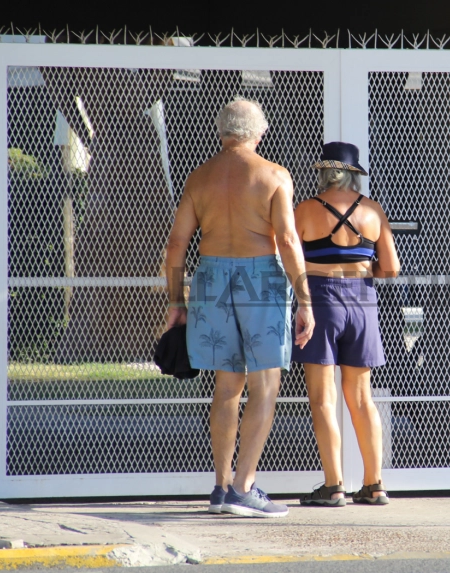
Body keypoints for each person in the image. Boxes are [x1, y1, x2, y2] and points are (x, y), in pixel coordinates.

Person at [164, 97, 315, 518]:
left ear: (222, 132)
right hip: (260, 278)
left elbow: (177, 244)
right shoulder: (273, 175)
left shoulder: (199, 177)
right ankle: (244, 488)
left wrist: (176, 301)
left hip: (211, 278)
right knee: (265, 384)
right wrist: (305, 300)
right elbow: (286, 240)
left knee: (227, 386)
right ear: (258, 133)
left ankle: (220, 484)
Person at [292, 142, 400, 506]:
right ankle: (374, 484)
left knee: (323, 398)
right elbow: (392, 268)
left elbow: (286, 257)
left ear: (322, 173)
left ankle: (334, 484)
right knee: (361, 396)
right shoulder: (372, 210)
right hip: (363, 301)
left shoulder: (304, 210)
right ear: (354, 174)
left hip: (321, 299)